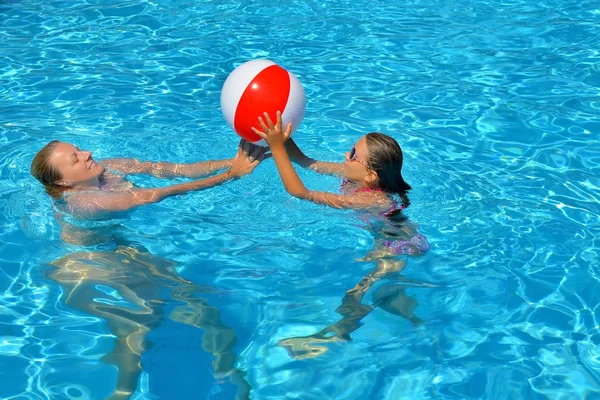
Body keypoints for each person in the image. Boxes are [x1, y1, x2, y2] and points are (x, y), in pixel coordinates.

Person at [251, 111, 431, 358]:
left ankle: (338, 335)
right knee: (382, 290)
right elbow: (306, 161)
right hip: (390, 237)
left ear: (370, 175)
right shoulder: (354, 174)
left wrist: (276, 149)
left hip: (397, 244)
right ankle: (411, 317)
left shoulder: (371, 199)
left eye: (354, 155)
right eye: (351, 150)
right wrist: (280, 135)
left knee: (356, 294)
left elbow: (300, 192)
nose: (347, 156)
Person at [30, 139, 267, 219]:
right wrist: (230, 176)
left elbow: (178, 171)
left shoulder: (106, 167)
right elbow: (164, 192)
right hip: (96, 258)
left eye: (79, 149)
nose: (87, 154)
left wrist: (236, 160)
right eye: (76, 159)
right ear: (62, 182)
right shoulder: (85, 202)